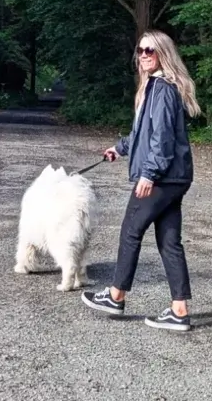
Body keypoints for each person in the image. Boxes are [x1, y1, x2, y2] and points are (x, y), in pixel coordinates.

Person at [81, 30, 201, 332]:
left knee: (130, 231)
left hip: (162, 178)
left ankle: (116, 295)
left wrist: (149, 173)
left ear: (163, 53)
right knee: (169, 242)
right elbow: (144, 134)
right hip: (177, 177)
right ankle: (179, 311)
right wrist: (120, 148)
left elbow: (161, 139)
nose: (144, 55)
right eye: (140, 50)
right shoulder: (160, 87)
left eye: (150, 50)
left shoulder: (161, 89)